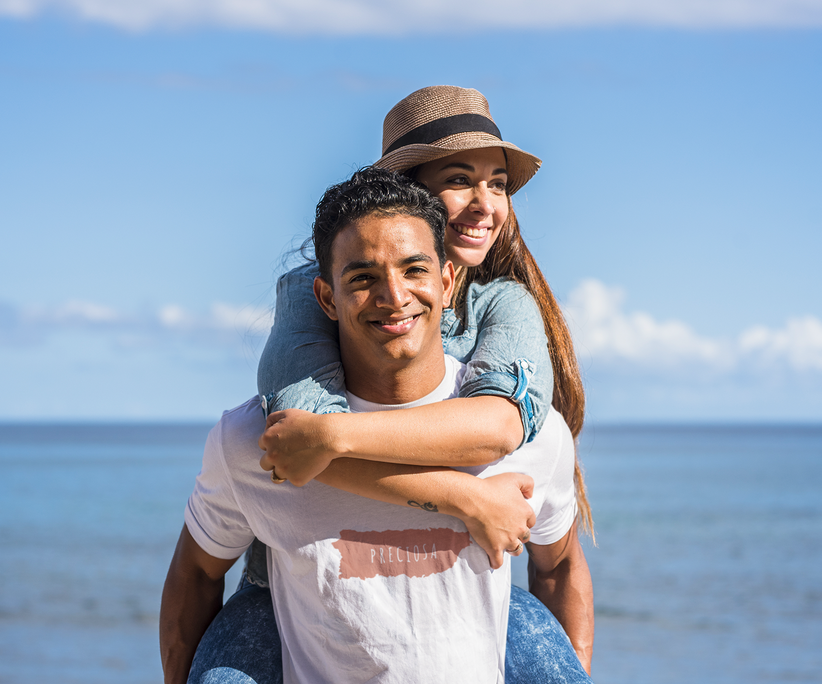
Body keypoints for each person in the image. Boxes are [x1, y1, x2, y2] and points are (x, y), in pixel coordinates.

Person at [160, 168, 591, 684]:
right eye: (363, 278)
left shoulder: (535, 438)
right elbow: (194, 575)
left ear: (448, 280)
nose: (393, 295)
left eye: (414, 270)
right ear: (325, 298)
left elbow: (560, 567)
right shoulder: (254, 440)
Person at [252, 85, 594, 671]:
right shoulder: (316, 294)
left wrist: (334, 440)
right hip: (298, 589)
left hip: (457, 596)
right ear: (410, 195)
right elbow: (301, 432)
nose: (486, 204)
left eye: (498, 184)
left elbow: (495, 427)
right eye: (461, 179)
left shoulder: (504, 305)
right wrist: (465, 497)